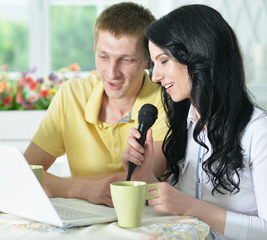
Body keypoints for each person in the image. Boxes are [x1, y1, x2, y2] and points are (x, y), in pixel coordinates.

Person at [121, 4, 267, 239]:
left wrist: (189, 206)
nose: (155, 76)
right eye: (153, 64)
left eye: (164, 60)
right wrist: (144, 175)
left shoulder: (259, 131)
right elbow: (175, 205)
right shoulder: (186, 124)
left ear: (199, 53)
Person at [24, 2, 168, 207]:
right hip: (81, 219)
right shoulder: (71, 94)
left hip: (145, 219)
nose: (111, 73)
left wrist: (60, 185)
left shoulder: (164, 99)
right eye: (103, 57)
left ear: (148, 60)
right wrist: (81, 189)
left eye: (126, 60)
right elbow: (27, 172)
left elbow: (139, 180)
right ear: (94, 49)